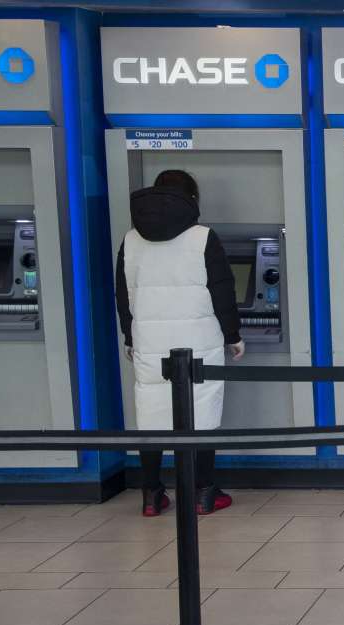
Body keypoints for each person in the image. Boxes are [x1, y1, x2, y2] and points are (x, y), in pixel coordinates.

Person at [115, 170, 244, 517]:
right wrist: (233, 335)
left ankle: (152, 494)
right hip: (197, 342)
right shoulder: (203, 238)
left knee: (152, 414)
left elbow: (124, 296)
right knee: (201, 413)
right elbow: (222, 290)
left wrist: (130, 336)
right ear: (192, 199)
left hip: (150, 342)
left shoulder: (131, 240)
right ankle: (203, 492)